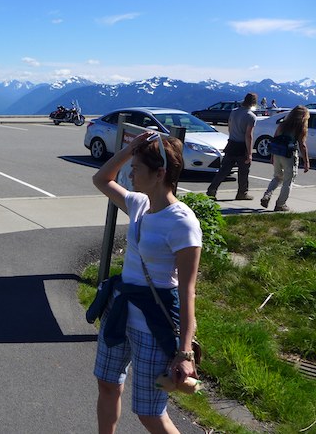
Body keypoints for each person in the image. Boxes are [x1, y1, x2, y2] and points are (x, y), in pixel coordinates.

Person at [92, 132, 202, 433]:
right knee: (107, 384)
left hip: (152, 324)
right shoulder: (139, 204)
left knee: (148, 411)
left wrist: (184, 352)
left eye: (137, 168)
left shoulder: (183, 222)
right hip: (120, 311)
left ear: (160, 173)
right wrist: (129, 150)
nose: (130, 173)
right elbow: (101, 179)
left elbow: (187, 290)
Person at [206, 92, 258, 200]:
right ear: (254, 102)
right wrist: (249, 153)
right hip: (242, 146)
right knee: (243, 171)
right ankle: (242, 193)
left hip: (231, 143)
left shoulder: (233, 112)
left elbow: (230, 128)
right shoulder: (251, 116)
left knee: (224, 170)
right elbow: (249, 135)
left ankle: (212, 189)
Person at [260, 105, 311, 212]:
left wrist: (272, 155)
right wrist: (306, 161)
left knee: (277, 177)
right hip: (289, 155)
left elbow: (275, 139)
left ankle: (267, 195)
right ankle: (280, 204)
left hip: (278, 153)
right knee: (288, 180)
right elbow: (302, 145)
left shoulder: (283, 124)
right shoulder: (300, 127)